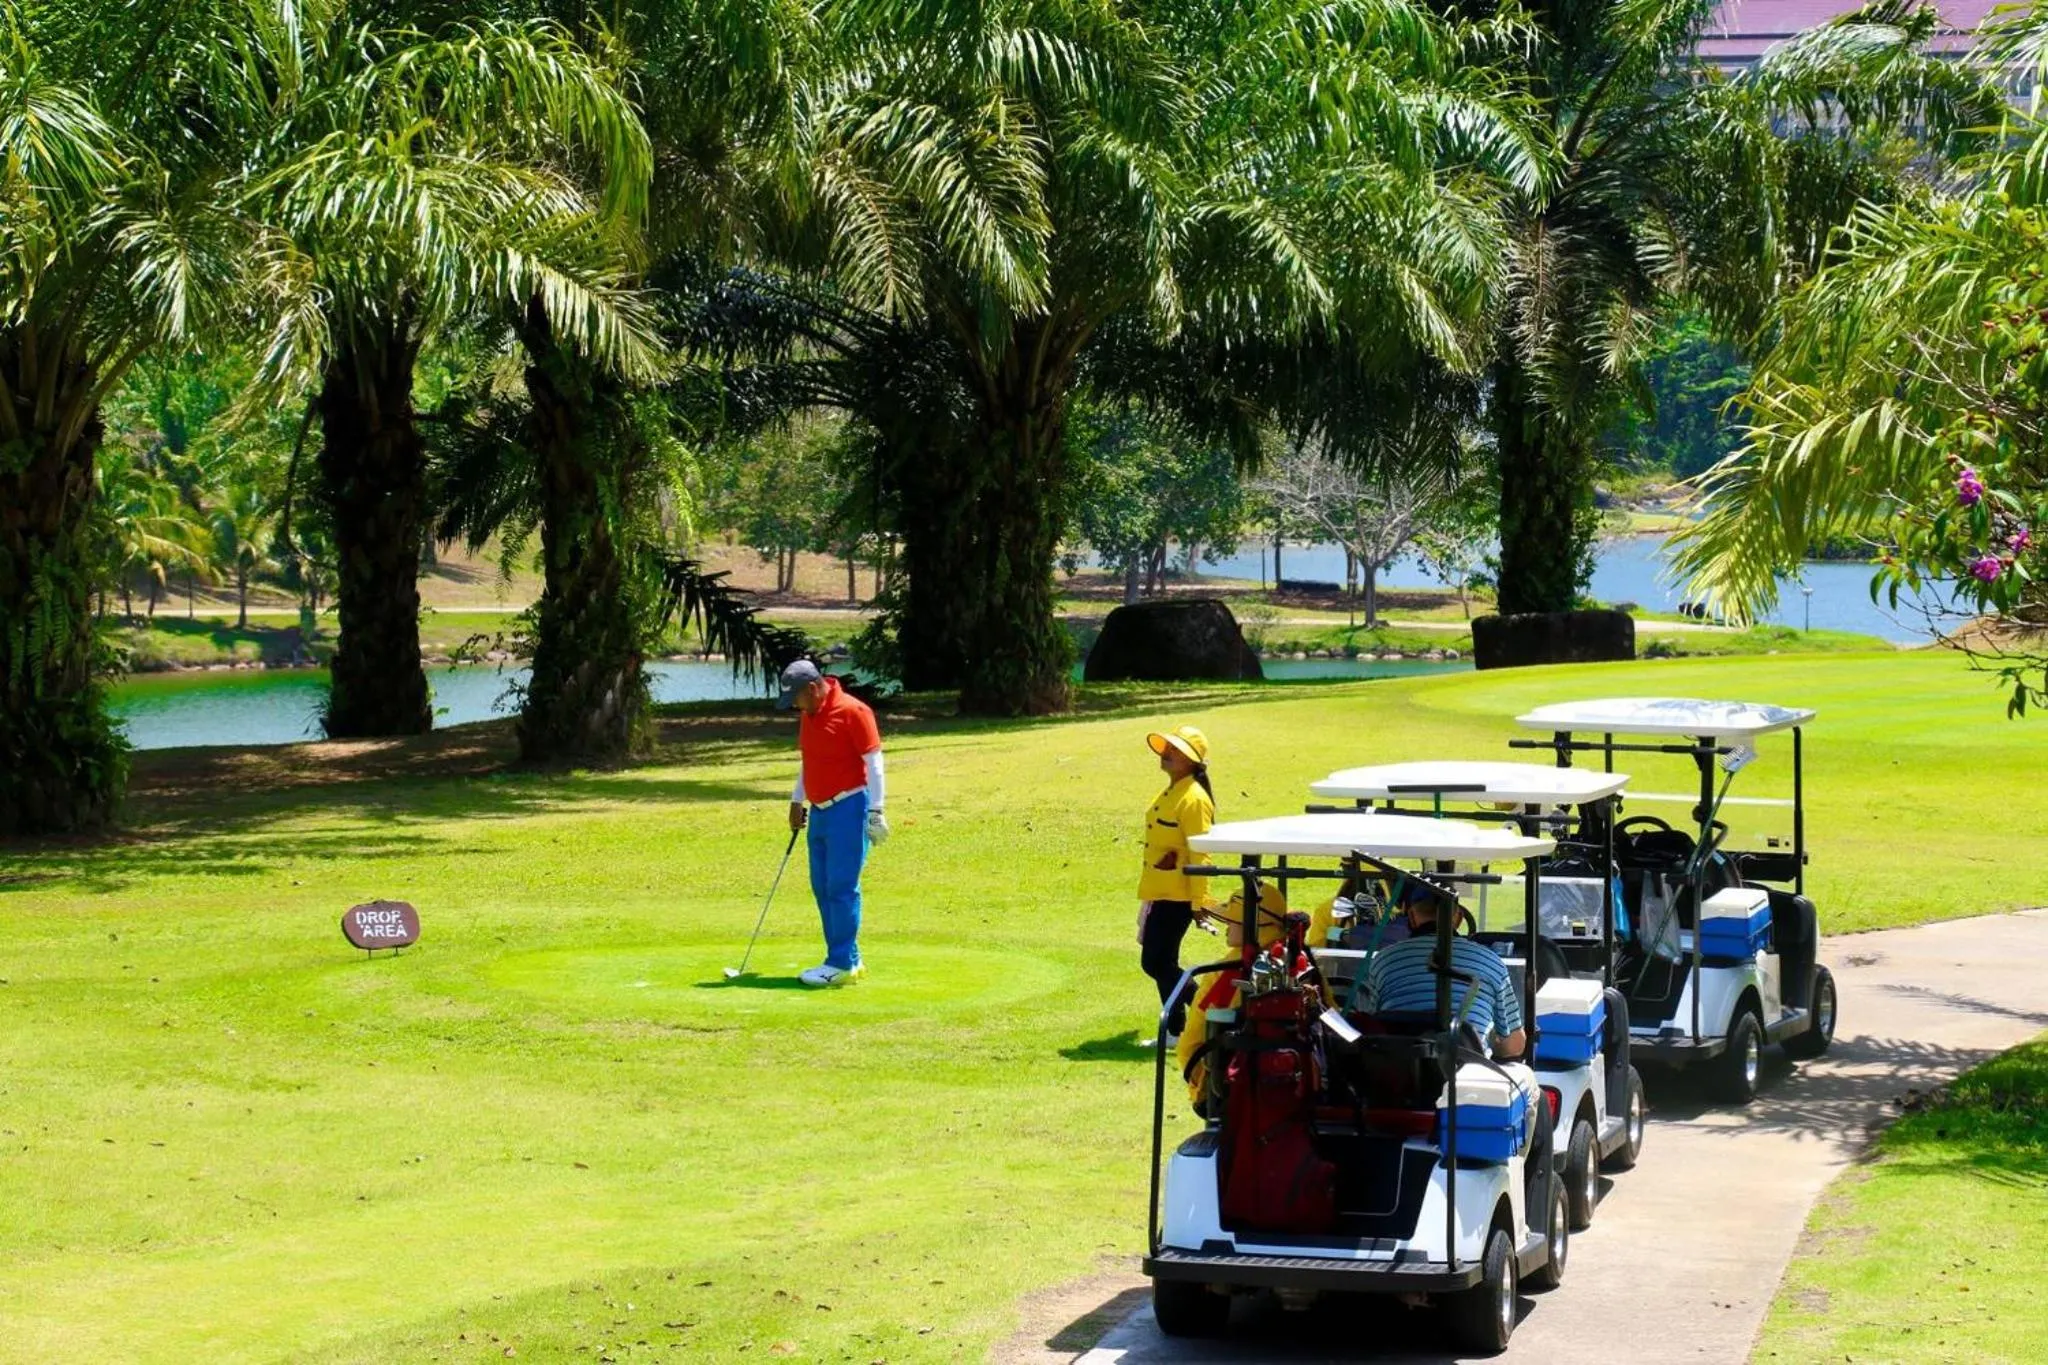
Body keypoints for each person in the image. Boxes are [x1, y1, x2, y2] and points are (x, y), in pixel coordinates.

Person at [780, 659, 888, 987]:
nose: (794, 706)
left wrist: (876, 811)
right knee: (822, 887)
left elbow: (875, 763)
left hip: (850, 808)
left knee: (841, 887)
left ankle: (839, 964)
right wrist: (797, 800)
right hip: (821, 811)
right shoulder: (808, 715)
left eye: (796, 698)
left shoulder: (854, 712)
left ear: (813, 689)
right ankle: (850, 959)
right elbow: (808, 761)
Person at [1359, 879, 1526, 1059]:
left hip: (1401, 1074)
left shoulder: (1382, 961)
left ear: (1412, 918)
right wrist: (1490, 1045)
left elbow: (1371, 1023)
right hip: (1466, 1072)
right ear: (1458, 918)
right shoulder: (1491, 961)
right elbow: (1514, 1045)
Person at [1137, 725, 1215, 1043]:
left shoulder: (1193, 799)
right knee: (1162, 961)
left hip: (1179, 895)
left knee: (1155, 961)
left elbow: (1202, 853)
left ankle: (1207, 1011)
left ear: (1192, 762)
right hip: (1161, 890)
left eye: (1178, 752)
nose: (1168, 754)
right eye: (1168, 748)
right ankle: (1177, 1030)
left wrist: (1199, 903)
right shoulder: (1172, 790)